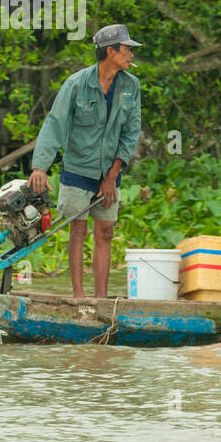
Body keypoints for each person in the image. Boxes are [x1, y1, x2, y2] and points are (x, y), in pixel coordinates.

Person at [28, 24, 142, 298]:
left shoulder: (131, 86)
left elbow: (131, 133)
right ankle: (79, 298)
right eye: (127, 49)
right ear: (110, 51)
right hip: (77, 170)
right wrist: (40, 167)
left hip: (110, 173)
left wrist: (112, 177)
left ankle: (101, 300)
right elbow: (55, 124)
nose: (131, 55)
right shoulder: (77, 83)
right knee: (77, 230)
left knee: (105, 233)